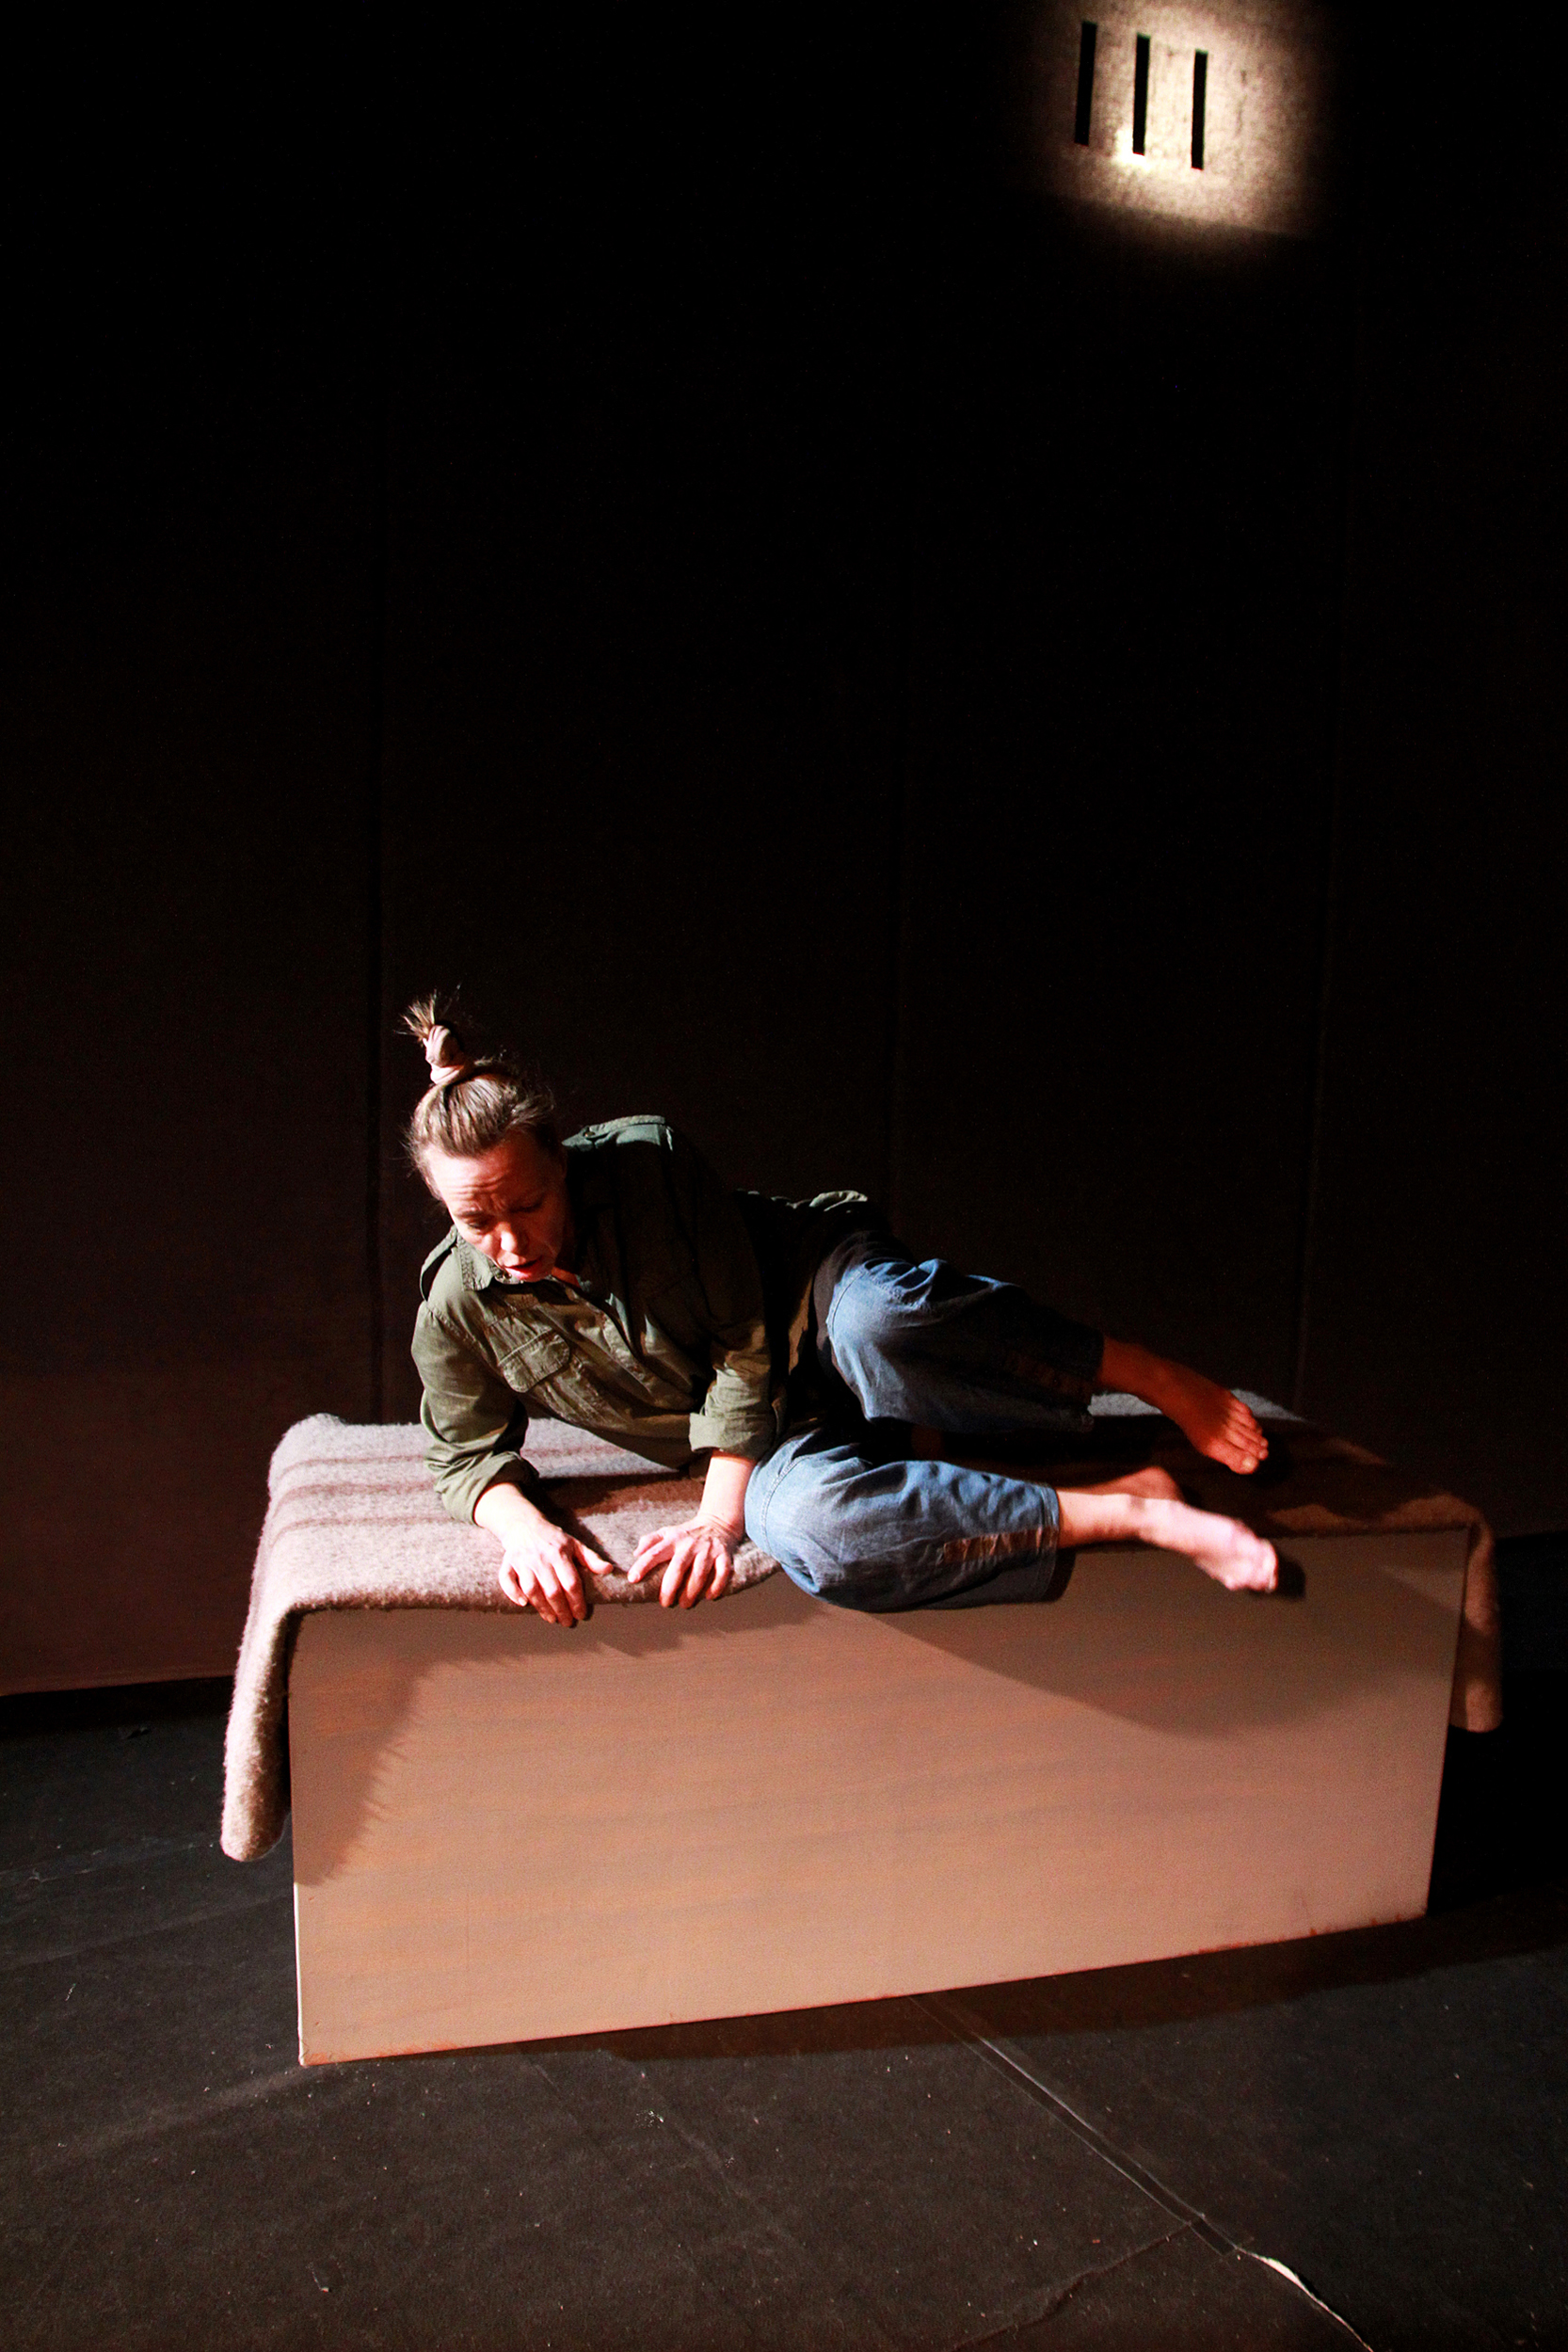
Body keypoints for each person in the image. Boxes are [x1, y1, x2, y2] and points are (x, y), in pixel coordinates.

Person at [405, 997, 1278, 1628]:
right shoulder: (455, 1308)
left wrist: (717, 1519)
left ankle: (1149, 1373)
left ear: (561, 1162)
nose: (508, 1240)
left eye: (528, 1205)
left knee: (883, 1324)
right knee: (819, 1532)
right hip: (773, 1436)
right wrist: (524, 1532)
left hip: (812, 1303)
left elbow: (745, 1339)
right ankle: (1133, 1508)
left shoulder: (648, 1164)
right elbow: (464, 1454)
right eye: (476, 1220)